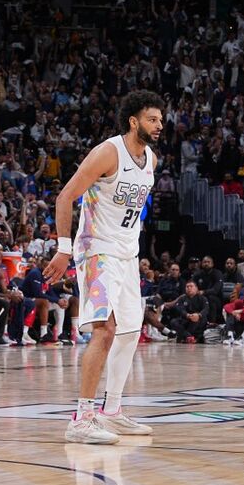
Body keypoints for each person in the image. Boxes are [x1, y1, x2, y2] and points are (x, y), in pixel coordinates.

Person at [43, 89, 163, 445]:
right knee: (105, 330)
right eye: (152, 120)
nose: (159, 126)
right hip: (97, 250)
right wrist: (63, 248)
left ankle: (112, 412)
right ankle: (82, 417)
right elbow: (66, 196)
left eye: (160, 120)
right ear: (133, 121)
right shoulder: (108, 152)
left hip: (126, 253)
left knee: (129, 331)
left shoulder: (151, 161)